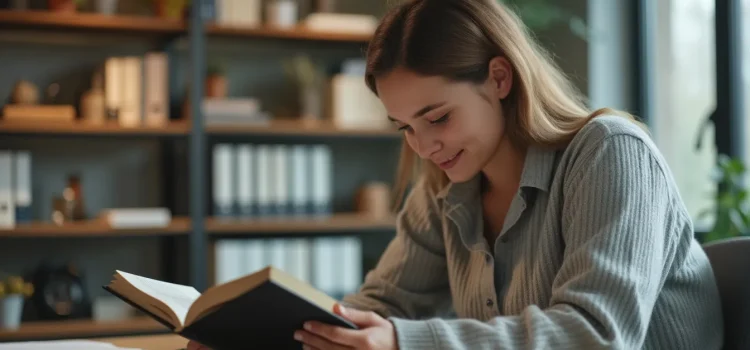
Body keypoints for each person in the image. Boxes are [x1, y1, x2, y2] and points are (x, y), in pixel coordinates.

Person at [189, 0, 724, 349]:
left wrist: (404, 343)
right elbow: (383, 306)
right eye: (405, 128)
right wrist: (261, 334)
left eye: (438, 117)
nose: (425, 146)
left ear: (498, 77)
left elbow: (596, 335)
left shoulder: (610, 154)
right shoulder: (446, 187)